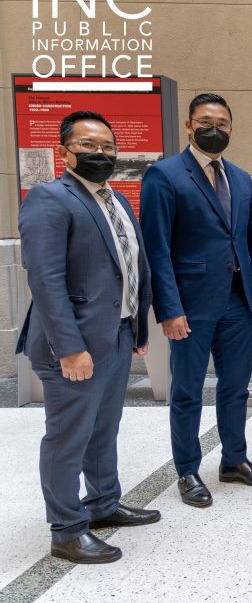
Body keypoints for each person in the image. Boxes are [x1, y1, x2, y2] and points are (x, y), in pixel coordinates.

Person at [17, 111, 158, 563]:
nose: (101, 154)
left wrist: (135, 326)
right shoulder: (49, 199)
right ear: (65, 152)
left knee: (104, 429)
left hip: (115, 337)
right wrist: (70, 348)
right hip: (73, 346)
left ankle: (102, 504)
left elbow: (128, 267)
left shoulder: (116, 200)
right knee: (68, 437)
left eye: (107, 147)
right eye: (89, 146)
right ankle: (67, 530)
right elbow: (46, 281)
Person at [141, 93, 252, 507]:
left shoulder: (241, 177)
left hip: (238, 303)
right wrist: (169, 308)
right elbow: (156, 248)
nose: (213, 128)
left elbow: (251, 242)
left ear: (231, 128)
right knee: (187, 391)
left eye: (222, 122)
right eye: (204, 121)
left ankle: (234, 460)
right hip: (190, 306)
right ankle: (187, 471)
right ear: (188, 125)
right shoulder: (164, 175)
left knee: (236, 388)